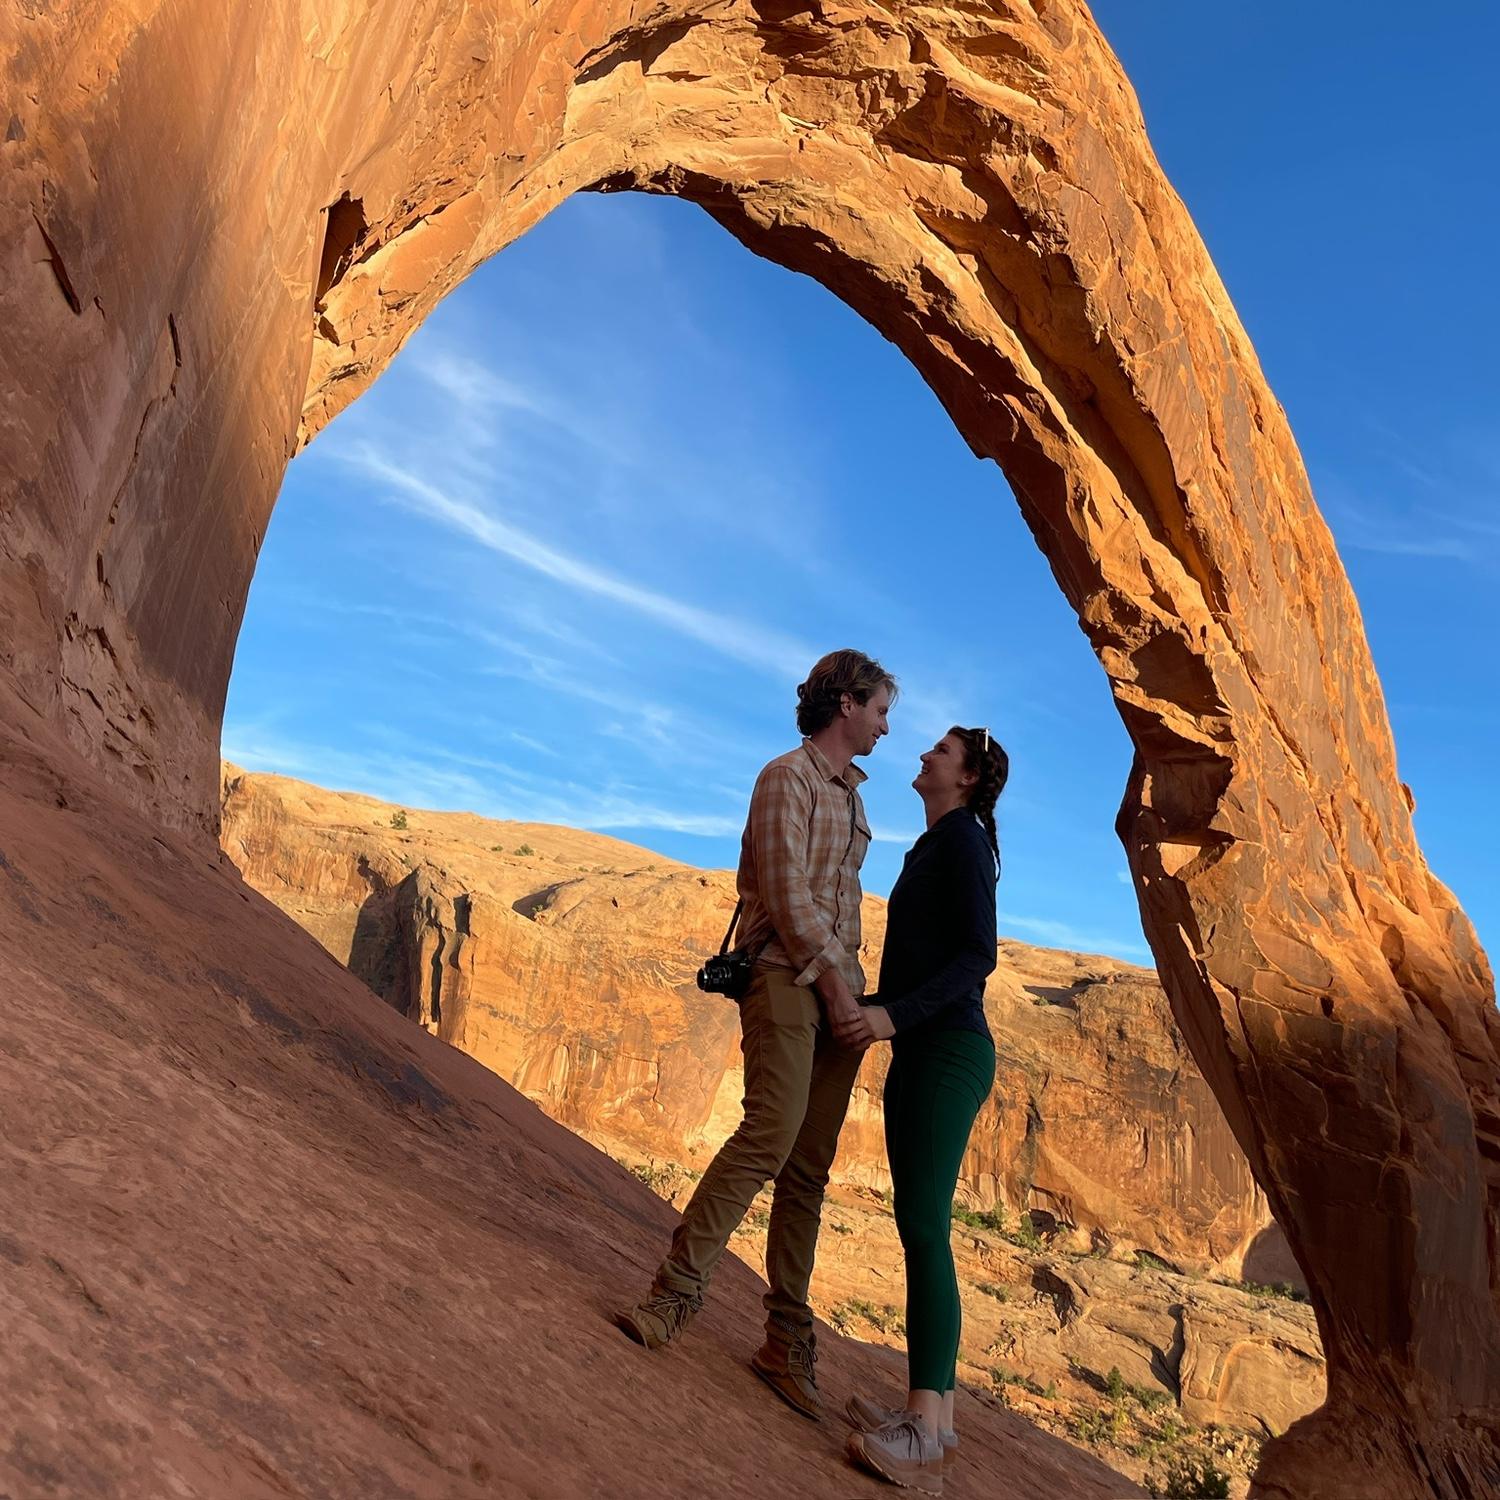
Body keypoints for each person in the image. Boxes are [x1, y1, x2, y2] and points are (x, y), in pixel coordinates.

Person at [615, 649, 896, 1421]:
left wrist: (853, 997)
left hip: (841, 994)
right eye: (880, 710)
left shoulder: (852, 799)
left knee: (808, 1171)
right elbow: (786, 892)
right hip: (786, 975)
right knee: (770, 1131)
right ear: (847, 703)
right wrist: (836, 987)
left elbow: (839, 904)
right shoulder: (786, 778)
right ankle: (672, 1295)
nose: (885, 726)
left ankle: (785, 1344)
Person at [843, 725, 1009, 1496]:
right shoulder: (934, 845)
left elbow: (979, 955)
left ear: (968, 776)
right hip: (923, 1048)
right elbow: (921, 968)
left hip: (947, 1050)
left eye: (940, 752)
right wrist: (864, 1005)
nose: (923, 756)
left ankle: (918, 1429)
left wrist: (891, 1016)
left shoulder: (965, 839)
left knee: (923, 1227)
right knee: (920, 1227)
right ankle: (934, 1427)